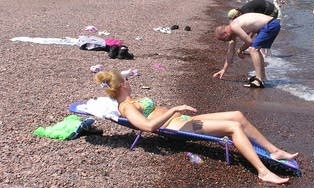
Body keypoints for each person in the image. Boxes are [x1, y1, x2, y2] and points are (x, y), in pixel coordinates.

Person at [95, 70, 298, 184]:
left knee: (237, 115)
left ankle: (275, 151)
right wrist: (174, 109)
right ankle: (262, 171)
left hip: (183, 119)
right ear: (122, 84)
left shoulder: (132, 100)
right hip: (179, 126)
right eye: (127, 79)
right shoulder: (126, 107)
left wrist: (176, 111)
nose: (130, 82)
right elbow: (148, 126)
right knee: (233, 127)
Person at [213, 13, 280, 88]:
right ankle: (262, 77)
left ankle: (258, 80)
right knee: (256, 49)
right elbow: (230, 52)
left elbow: (249, 42)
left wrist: (240, 50)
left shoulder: (234, 26)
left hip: (270, 24)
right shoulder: (232, 31)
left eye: (224, 40)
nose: (225, 41)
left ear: (225, 34)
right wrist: (224, 70)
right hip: (269, 25)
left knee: (253, 49)